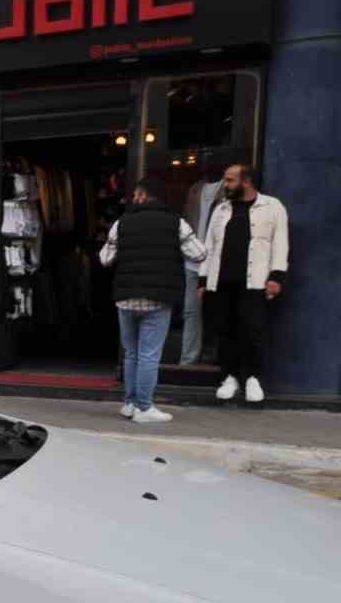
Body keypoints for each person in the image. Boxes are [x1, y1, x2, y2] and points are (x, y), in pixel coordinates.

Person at [98, 177, 206, 424]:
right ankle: (144, 408)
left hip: (125, 299)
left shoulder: (121, 224)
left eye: (136, 194)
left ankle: (129, 403)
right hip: (158, 299)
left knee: (131, 354)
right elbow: (199, 253)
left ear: (144, 196)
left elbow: (105, 258)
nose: (134, 198)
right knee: (149, 355)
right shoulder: (176, 223)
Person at [198, 162, 289, 405]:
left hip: (255, 282)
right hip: (221, 282)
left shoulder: (272, 206)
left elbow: (280, 244)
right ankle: (229, 377)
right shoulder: (221, 209)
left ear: (246, 181)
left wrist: (276, 276)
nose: (225, 185)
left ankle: (252, 378)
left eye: (229, 180)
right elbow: (209, 245)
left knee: (252, 331)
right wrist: (203, 280)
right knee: (225, 331)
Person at [179, 154, 223, 365]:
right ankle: (188, 360)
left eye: (210, 157)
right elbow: (187, 222)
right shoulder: (195, 189)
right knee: (191, 311)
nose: (205, 162)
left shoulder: (228, 188)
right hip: (193, 261)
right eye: (203, 159)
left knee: (217, 310)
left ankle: (216, 356)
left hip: (218, 262)